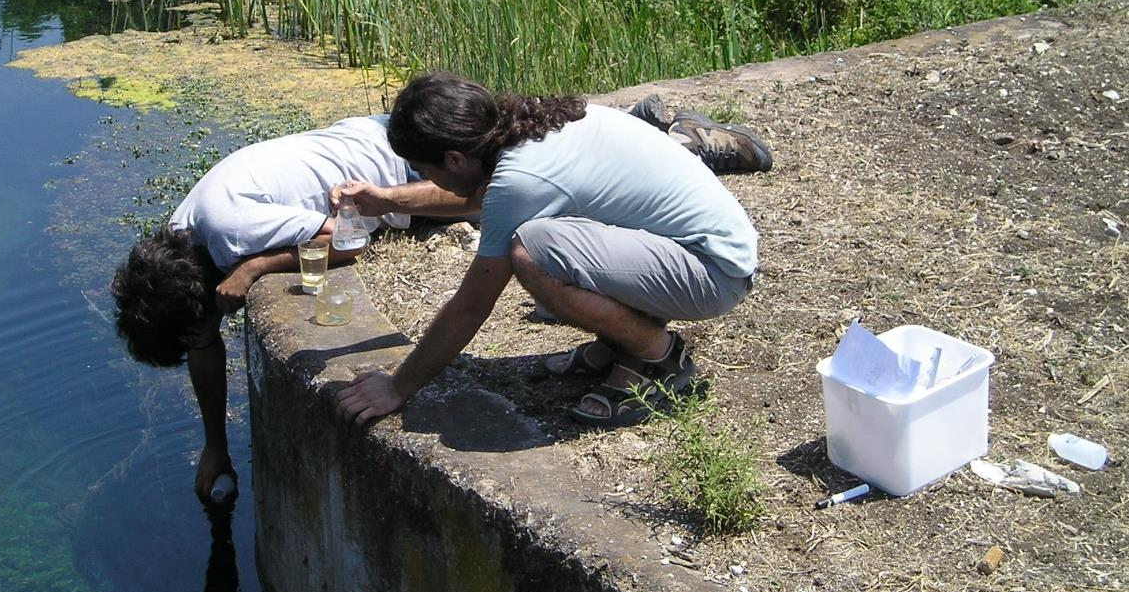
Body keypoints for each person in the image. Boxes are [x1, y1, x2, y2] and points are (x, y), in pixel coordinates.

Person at [335, 72, 759, 428]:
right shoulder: (528, 127)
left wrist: (398, 386)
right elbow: (489, 198)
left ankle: (657, 357)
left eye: (425, 171)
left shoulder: (520, 179)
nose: (428, 179)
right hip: (697, 251)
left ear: (455, 158)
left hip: (711, 274)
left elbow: (471, 305)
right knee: (543, 238)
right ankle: (620, 341)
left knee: (532, 251)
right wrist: (388, 200)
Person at [110, 115, 471, 498]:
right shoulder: (181, 238)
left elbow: (350, 240)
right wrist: (216, 445)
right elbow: (202, 344)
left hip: (405, 166)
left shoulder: (231, 233)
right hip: (366, 133)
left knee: (502, 199)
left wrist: (255, 267)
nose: (202, 337)